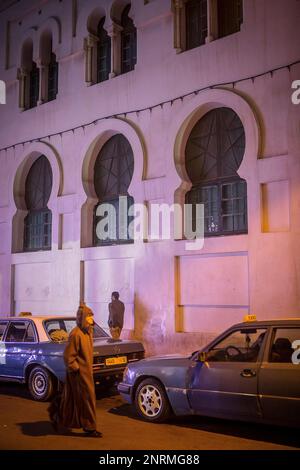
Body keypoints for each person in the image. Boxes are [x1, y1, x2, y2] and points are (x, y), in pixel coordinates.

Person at [48, 303, 102, 438]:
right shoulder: (76, 334)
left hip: (86, 373)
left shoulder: (87, 332)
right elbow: (68, 356)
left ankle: (57, 415)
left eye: (92, 316)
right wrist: (76, 369)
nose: (91, 318)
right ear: (83, 317)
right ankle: (90, 428)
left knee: (72, 402)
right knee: (87, 399)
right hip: (78, 375)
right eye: (89, 316)